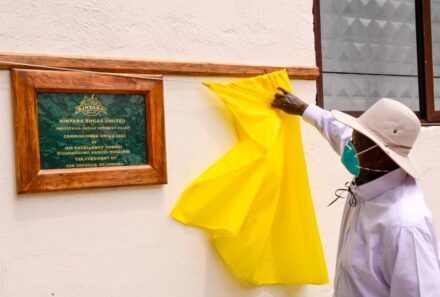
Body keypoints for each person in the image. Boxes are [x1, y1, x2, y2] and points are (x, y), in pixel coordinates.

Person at [271, 88, 440, 297]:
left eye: (356, 141)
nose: (349, 145)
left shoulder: (404, 225)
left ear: (380, 154)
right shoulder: (371, 171)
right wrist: (305, 109)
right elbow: (338, 134)